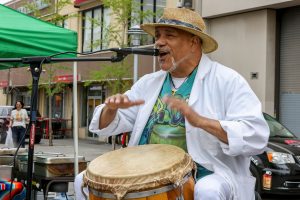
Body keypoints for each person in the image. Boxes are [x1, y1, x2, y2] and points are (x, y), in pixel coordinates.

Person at [75, 8, 269, 200]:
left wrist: (202, 121)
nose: (159, 42)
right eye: (158, 36)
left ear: (194, 42)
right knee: (81, 180)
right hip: (145, 173)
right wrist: (111, 109)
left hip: (205, 173)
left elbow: (256, 135)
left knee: (208, 190)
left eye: (169, 35)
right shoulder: (148, 83)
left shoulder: (227, 81)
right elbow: (106, 126)